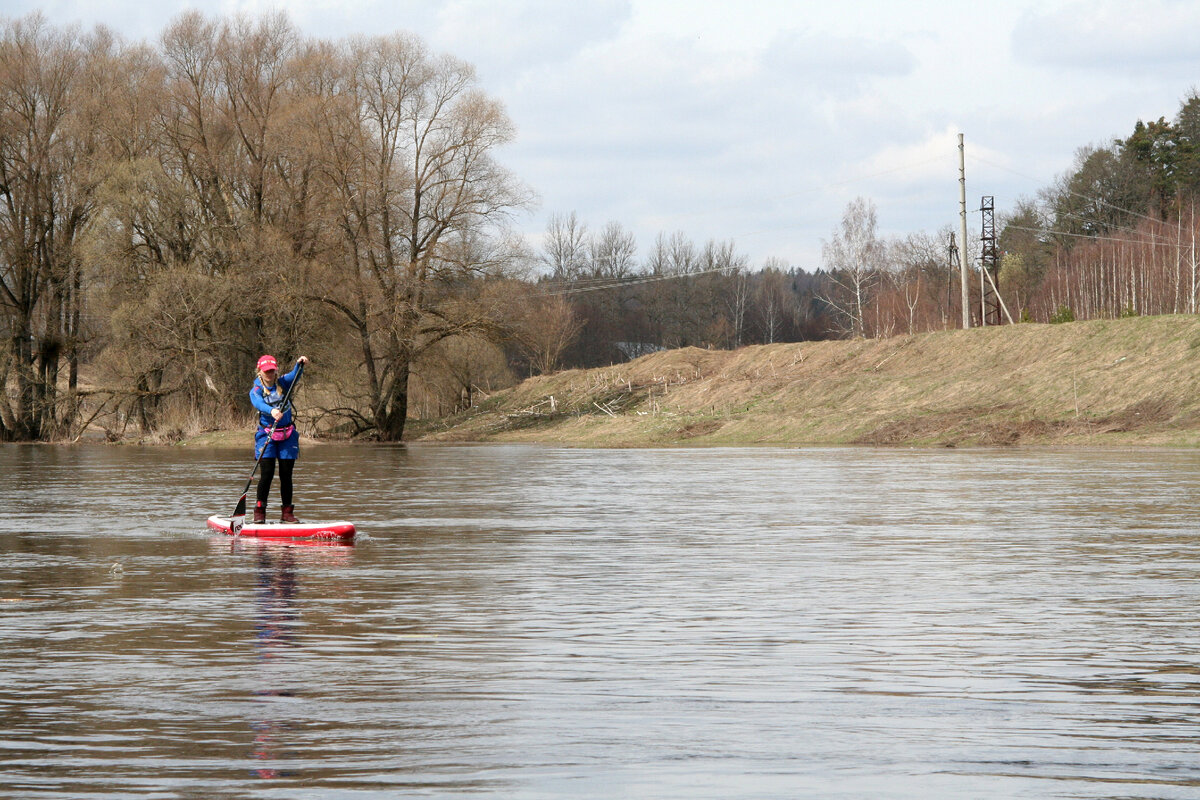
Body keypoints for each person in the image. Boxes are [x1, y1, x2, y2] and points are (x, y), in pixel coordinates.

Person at [250, 354, 309, 524]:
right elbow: (258, 404)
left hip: (287, 435)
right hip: (266, 434)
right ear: (259, 371)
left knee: (286, 474)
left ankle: (287, 513)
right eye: (266, 371)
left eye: (272, 371)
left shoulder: (283, 383)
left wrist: (299, 363)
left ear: (276, 371)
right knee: (267, 474)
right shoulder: (255, 390)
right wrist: (272, 411)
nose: (269, 374)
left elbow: (295, 374)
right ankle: (260, 512)